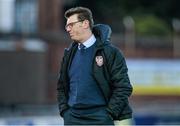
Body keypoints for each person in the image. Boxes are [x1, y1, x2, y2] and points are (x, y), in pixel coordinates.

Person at [57, 6, 133, 125]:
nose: (68, 29)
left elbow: (123, 87)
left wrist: (109, 113)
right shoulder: (68, 54)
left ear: (85, 23)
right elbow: (61, 86)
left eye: (71, 25)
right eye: (67, 26)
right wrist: (65, 111)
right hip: (72, 118)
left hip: (100, 118)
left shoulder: (110, 52)